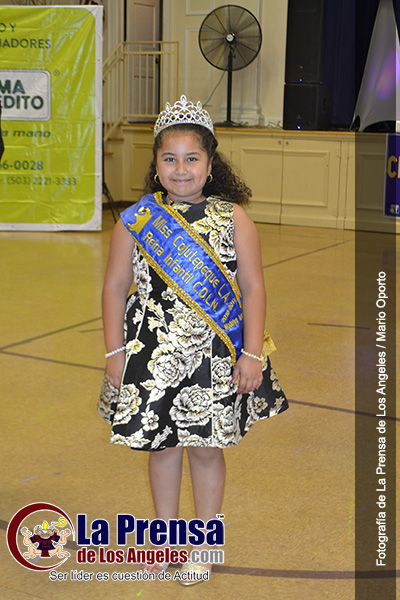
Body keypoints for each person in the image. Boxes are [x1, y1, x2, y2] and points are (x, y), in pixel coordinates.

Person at [98, 95, 288, 585]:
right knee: (162, 448)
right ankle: (164, 540)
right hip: (151, 353)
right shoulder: (135, 220)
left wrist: (251, 354)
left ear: (210, 164)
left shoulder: (234, 218)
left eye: (191, 158)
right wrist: (115, 352)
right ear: (155, 164)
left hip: (213, 356)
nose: (180, 170)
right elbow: (115, 288)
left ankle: (202, 546)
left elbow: (253, 288)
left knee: (205, 450)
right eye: (169, 158)